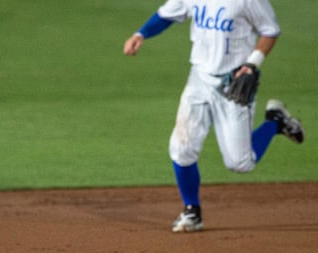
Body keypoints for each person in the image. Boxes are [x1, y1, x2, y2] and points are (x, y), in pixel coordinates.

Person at [123, 0, 305, 232]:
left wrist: (252, 64)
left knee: (240, 163)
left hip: (235, 83)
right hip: (199, 80)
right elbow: (167, 15)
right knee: (181, 149)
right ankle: (192, 210)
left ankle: (275, 121)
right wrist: (142, 34)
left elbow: (270, 31)